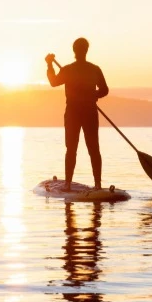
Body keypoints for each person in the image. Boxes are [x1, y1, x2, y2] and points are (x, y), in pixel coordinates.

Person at [45, 38, 109, 191]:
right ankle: (97, 184)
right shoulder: (93, 69)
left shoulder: (71, 70)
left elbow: (53, 82)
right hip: (85, 113)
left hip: (77, 114)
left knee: (74, 149)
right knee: (91, 148)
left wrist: (48, 64)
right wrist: (95, 94)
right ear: (86, 50)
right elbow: (104, 90)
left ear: (75, 51)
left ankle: (70, 184)